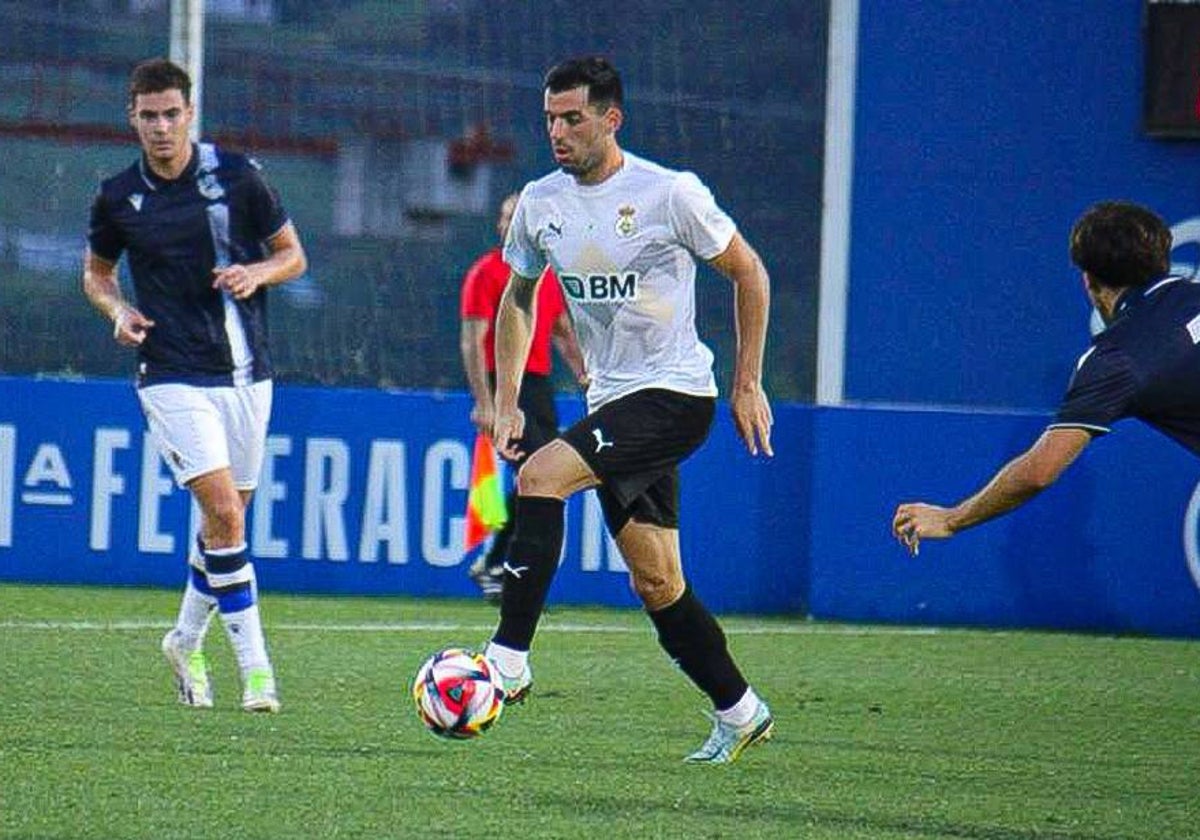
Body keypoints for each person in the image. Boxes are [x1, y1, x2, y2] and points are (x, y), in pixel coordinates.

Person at [481, 56, 775, 764]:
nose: (558, 131)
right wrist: (508, 399)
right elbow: (517, 299)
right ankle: (741, 711)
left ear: (612, 119)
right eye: (550, 118)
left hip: (677, 395)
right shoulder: (539, 203)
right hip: (611, 397)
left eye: (573, 118)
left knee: (541, 477)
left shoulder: (670, 194)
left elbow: (749, 271)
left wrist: (747, 382)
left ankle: (508, 659)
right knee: (658, 581)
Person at [82, 58, 308, 712]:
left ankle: (184, 639)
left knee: (223, 522)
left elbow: (293, 255)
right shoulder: (117, 195)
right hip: (171, 373)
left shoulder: (238, 176)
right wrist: (118, 310)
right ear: (132, 117)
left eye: (170, 114)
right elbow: (96, 275)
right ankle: (257, 671)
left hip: (246, 371)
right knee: (227, 515)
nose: (160, 127)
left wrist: (257, 274)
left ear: (189, 113)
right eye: (148, 115)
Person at [893, 201, 1198, 554]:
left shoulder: (1115, 359)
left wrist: (950, 519)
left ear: (1088, 280)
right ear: (1162, 257)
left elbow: (1041, 470)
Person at [460, 192, 586, 600]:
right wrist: (486, 401)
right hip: (506, 384)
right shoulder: (487, 272)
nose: (508, 225)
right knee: (536, 474)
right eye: (504, 217)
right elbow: (473, 340)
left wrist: (585, 374)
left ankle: (499, 562)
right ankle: (500, 563)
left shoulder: (547, 277)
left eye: (515, 218)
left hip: (539, 386)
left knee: (542, 477)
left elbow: (564, 332)